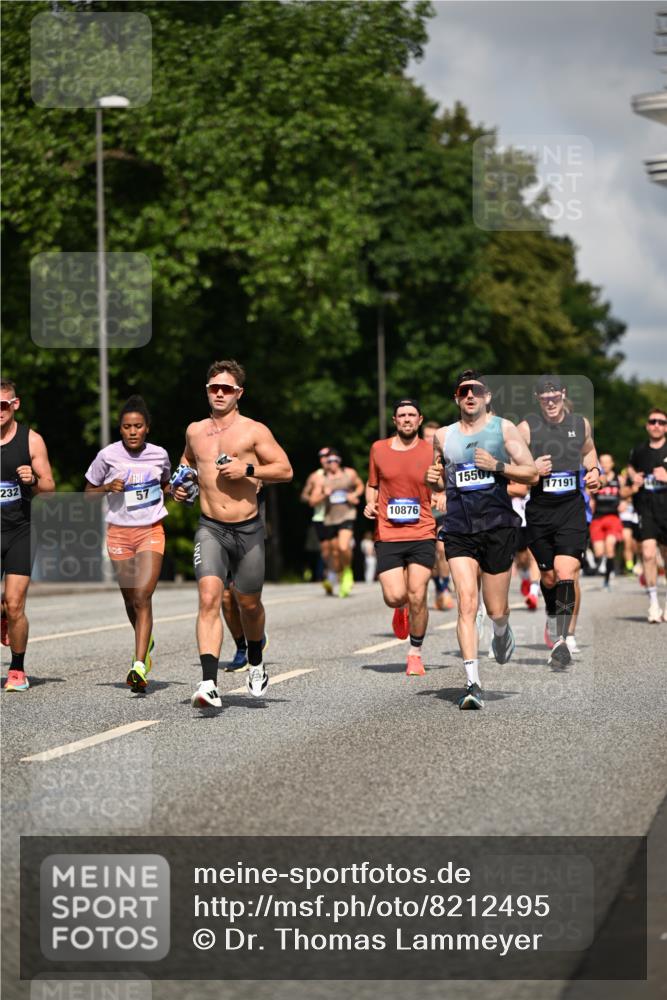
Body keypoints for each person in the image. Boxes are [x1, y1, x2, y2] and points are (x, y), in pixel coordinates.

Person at [172, 360, 292, 708]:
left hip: (248, 529)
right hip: (210, 527)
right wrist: (180, 485)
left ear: (239, 393)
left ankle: (256, 659)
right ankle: (209, 683)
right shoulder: (195, 430)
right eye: (214, 388)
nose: (220, 393)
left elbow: (285, 470)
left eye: (227, 388)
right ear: (207, 391)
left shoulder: (254, 431)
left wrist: (248, 469)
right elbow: (187, 464)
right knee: (209, 598)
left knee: (248, 604)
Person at [426, 371, 538, 709]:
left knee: (496, 609)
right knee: (467, 603)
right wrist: (432, 480)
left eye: (476, 391)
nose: (470, 396)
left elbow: (531, 473)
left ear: (487, 396)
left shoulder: (504, 429)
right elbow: (440, 480)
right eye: (464, 391)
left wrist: (498, 465)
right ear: (457, 398)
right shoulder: (443, 436)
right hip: (459, 527)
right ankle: (472, 683)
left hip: (498, 526)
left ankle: (501, 630)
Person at [84, 396, 171, 692]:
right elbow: (88, 494)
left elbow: (165, 484)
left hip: (150, 530)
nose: (133, 431)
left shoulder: (159, 455)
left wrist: (176, 489)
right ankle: (145, 640)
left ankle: (139, 665)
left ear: (147, 428)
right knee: (131, 599)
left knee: (143, 596)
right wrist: (107, 487)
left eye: (138, 426)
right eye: (127, 427)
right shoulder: (107, 455)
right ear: (120, 429)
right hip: (119, 533)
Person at [517, 375, 601, 667]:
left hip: (571, 510)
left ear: (563, 394)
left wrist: (593, 471)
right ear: (537, 399)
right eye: (545, 397)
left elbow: (589, 451)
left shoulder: (580, 424)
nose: (550, 402)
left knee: (566, 573)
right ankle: (554, 619)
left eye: (554, 396)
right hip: (540, 513)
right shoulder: (527, 428)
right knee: (549, 577)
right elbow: (511, 465)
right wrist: (531, 468)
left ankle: (562, 639)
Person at [365, 398, 436, 676]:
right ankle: (401, 607)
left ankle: (415, 653)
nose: (407, 419)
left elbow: (442, 483)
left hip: (422, 531)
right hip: (388, 532)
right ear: (395, 420)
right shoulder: (379, 449)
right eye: (402, 415)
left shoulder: (431, 451)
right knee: (395, 596)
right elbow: (372, 485)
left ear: (420, 420)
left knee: (418, 593)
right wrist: (369, 503)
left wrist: (441, 493)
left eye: (412, 415)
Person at [1, 378, 56, 691]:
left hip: (20, 531)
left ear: (15, 404)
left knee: (15, 603)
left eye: (3, 405)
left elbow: (49, 488)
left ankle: (17, 669)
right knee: (6, 606)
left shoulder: (31, 440)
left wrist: (33, 479)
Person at [627, 407, 667, 623]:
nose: (657, 425)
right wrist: (634, 477)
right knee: (648, 554)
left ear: (666, 427)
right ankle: (653, 604)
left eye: (661, 422)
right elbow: (630, 468)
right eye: (653, 421)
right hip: (646, 508)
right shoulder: (639, 451)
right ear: (647, 426)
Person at [310, 452, 364, 598]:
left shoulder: (349, 473)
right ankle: (339, 575)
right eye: (329, 461)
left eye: (335, 460)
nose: (333, 463)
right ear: (326, 463)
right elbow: (312, 501)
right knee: (334, 553)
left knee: (343, 546)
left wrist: (354, 495)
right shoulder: (322, 480)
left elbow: (360, 486)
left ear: (340, 460)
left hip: (347, 515)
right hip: (330, 518)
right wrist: (324, 495)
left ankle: (347, 571)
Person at [422, 421, 454, 611]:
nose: (429, 440)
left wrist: (444, 494)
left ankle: (445, 588)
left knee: (442, 549)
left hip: (442, 510)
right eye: (426, 436)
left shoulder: (447, 456)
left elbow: (455, 480)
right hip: (423, 511)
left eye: (432, 437)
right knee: (430, 553)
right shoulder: (416, 456)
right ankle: (438, 586)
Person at [300, 447, 336, 594]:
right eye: (322, 457)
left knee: (339, 548)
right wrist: (315, 498)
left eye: (327, 456)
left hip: (339, 516)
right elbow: (303, 495)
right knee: (326, 551)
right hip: (320, 517)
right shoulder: (315, 476)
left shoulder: (342, 474)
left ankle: (341, 573)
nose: (324, 459)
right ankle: (329, 576)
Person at [589, 453, 628, 589]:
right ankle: (604, 563)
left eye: (607, 462)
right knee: (599, 552)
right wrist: (590, 504)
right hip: (597, 517)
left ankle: (607, 580)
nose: (605, 465)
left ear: (612, 464)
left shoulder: (619, 479)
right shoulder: (595, 478)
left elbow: (625, 494)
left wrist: (624, 502)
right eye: (602, 462)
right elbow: (589, 495)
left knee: (610, 546)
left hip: (613, 517)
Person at [509, 483, 540, 611]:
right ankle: (526, 578)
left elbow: (522, 489)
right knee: (521, 559)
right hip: (515, 523)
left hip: (532, 521)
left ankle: (533, 592)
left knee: (533, 557)